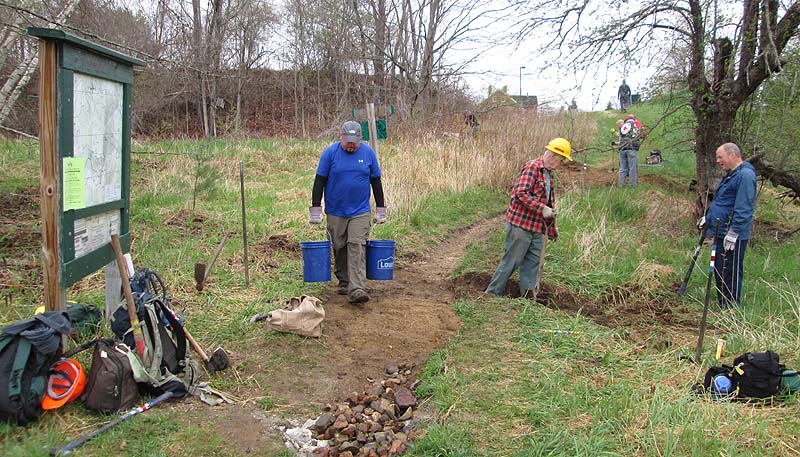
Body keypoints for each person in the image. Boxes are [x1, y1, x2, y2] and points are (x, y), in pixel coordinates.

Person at [309, 121, 386, 304]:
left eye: (355, 141)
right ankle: (344, 281)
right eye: (348, 141)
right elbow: (319, 181)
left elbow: (376, 182)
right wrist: (315, 208)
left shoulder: (368, 154)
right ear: (341, 137)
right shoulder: (330, 153)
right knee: (339, 245)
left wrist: (381, 209)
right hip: (335, 210)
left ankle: (357, 288)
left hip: (360, 210)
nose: (351, 144)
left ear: (360, 138)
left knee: (356, 244)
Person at [485, 138, 572, 297]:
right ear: (552, 155)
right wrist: (542, 208)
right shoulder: (532, 168)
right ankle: (492, 293)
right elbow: (520, 193)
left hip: (537, 227)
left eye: (561, 161)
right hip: (521, 225)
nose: (559, 164)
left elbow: (548, 202)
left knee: (533, 263)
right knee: (512, 261)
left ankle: (527, 298)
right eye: (559, 160)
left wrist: (552, 227)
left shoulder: (548, 174)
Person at [696, 143, 757, 308]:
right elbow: (722, 202)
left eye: (720, 157)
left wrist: (734, 232)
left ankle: (730, 306)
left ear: (732, 155)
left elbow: (744, 207)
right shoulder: (732, 175)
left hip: (732, 234)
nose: (717, 161)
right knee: (720, 268)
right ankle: (723, 302)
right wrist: (707, 218)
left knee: (730, 269)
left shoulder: (745, 176)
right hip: (719, 230)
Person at [617, 115, 642, 187]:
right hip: (632, 149)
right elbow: (639, 136)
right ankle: (632, 185)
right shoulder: (635, 125)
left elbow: (621, 136)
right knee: (632, 168)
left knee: (622, 168)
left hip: (622, 149)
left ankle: (620, 185)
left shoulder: (623, 126)